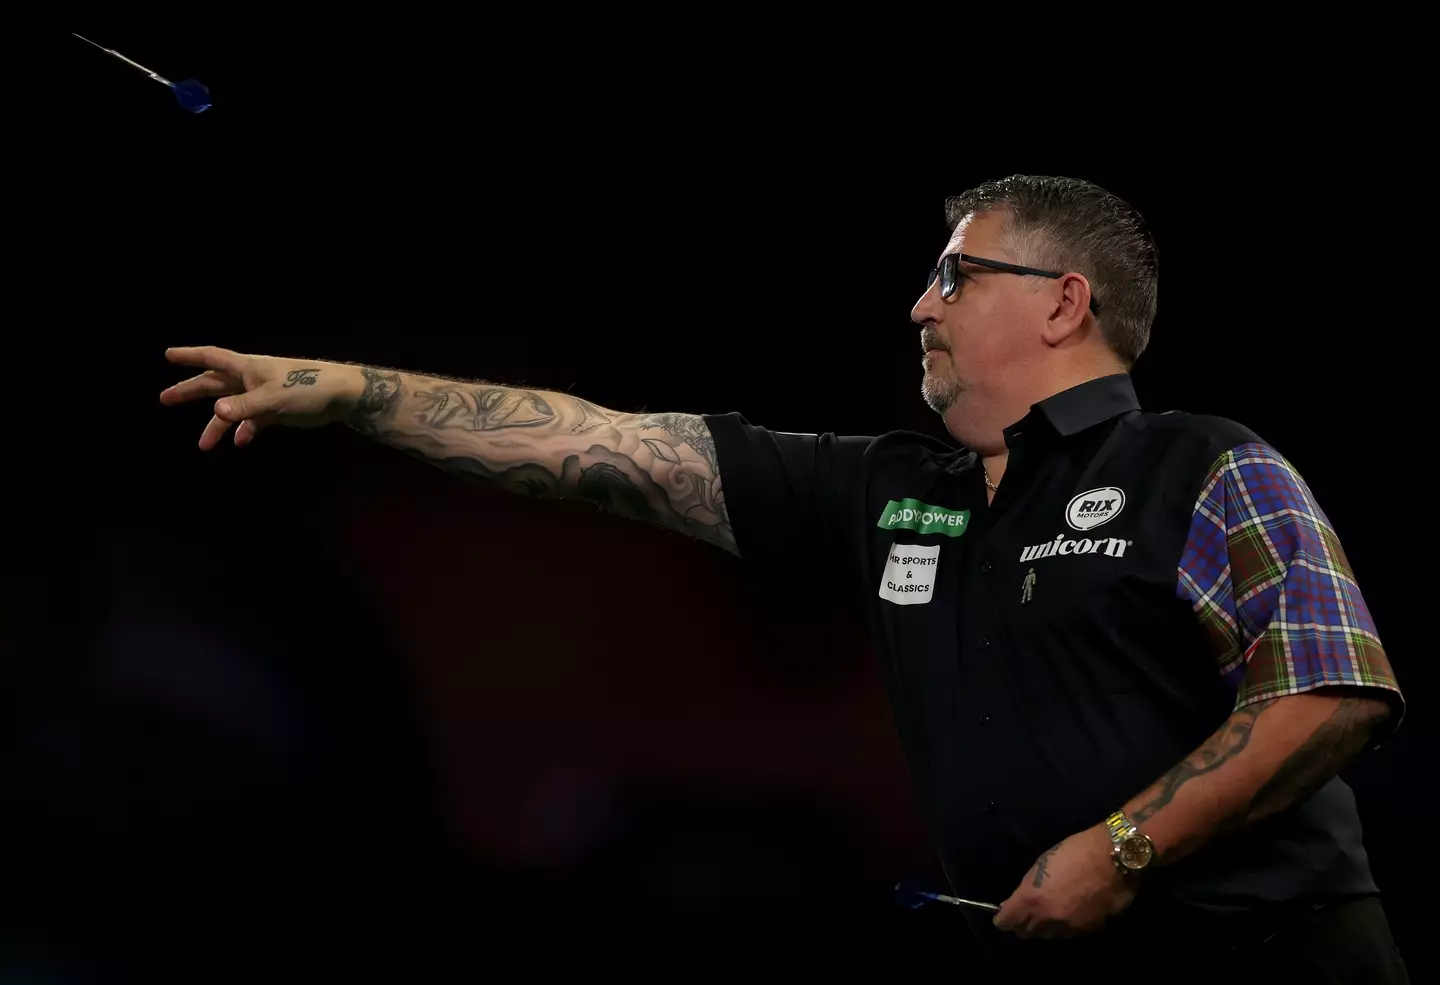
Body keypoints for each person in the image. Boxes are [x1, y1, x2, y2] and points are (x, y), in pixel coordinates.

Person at [160, 175, 1409, 982]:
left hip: (1272, 958)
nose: (920, 302)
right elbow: (609, 444)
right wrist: (356, 393)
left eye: (956, 274)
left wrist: (1121, 851)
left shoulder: (1208, 463)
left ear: (1063, 301)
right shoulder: (887, 486)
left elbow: (1331, 693)